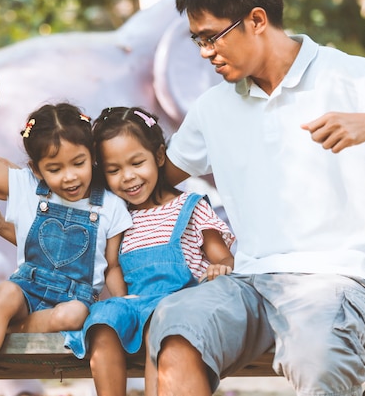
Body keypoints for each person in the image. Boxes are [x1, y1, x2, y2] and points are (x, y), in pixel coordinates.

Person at [147, 0, 365, 396]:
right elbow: (149, 183)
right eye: (196, 40)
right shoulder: (212, 108)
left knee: (316, 352)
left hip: (340, 278)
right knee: (177, 325)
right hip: (250, 279)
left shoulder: (353, 77)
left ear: (257, 20)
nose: (205, 52)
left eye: (212, 37)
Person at [0, 58, 132, 396]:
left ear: (93, 155)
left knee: (74, 314)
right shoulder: (28, 188)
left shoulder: (112, 206)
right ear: (37, 169)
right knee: (3, 294)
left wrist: (130, 305)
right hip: (25, 290)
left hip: (71, 302)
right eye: (55, 168)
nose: (70, 176)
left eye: (78, 162)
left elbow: (112, 264)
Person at [62, 106, 235, 396]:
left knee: (163, 323)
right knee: (103, 319)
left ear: (157, 156)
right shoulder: (117, 216)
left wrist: (220, 268)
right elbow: (113, 265)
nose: (128, 177)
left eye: (136, 163)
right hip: (137, 305)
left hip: (181, 305)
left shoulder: (189, 206)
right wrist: (122, 304)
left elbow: (224, 258)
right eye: (114, 170)